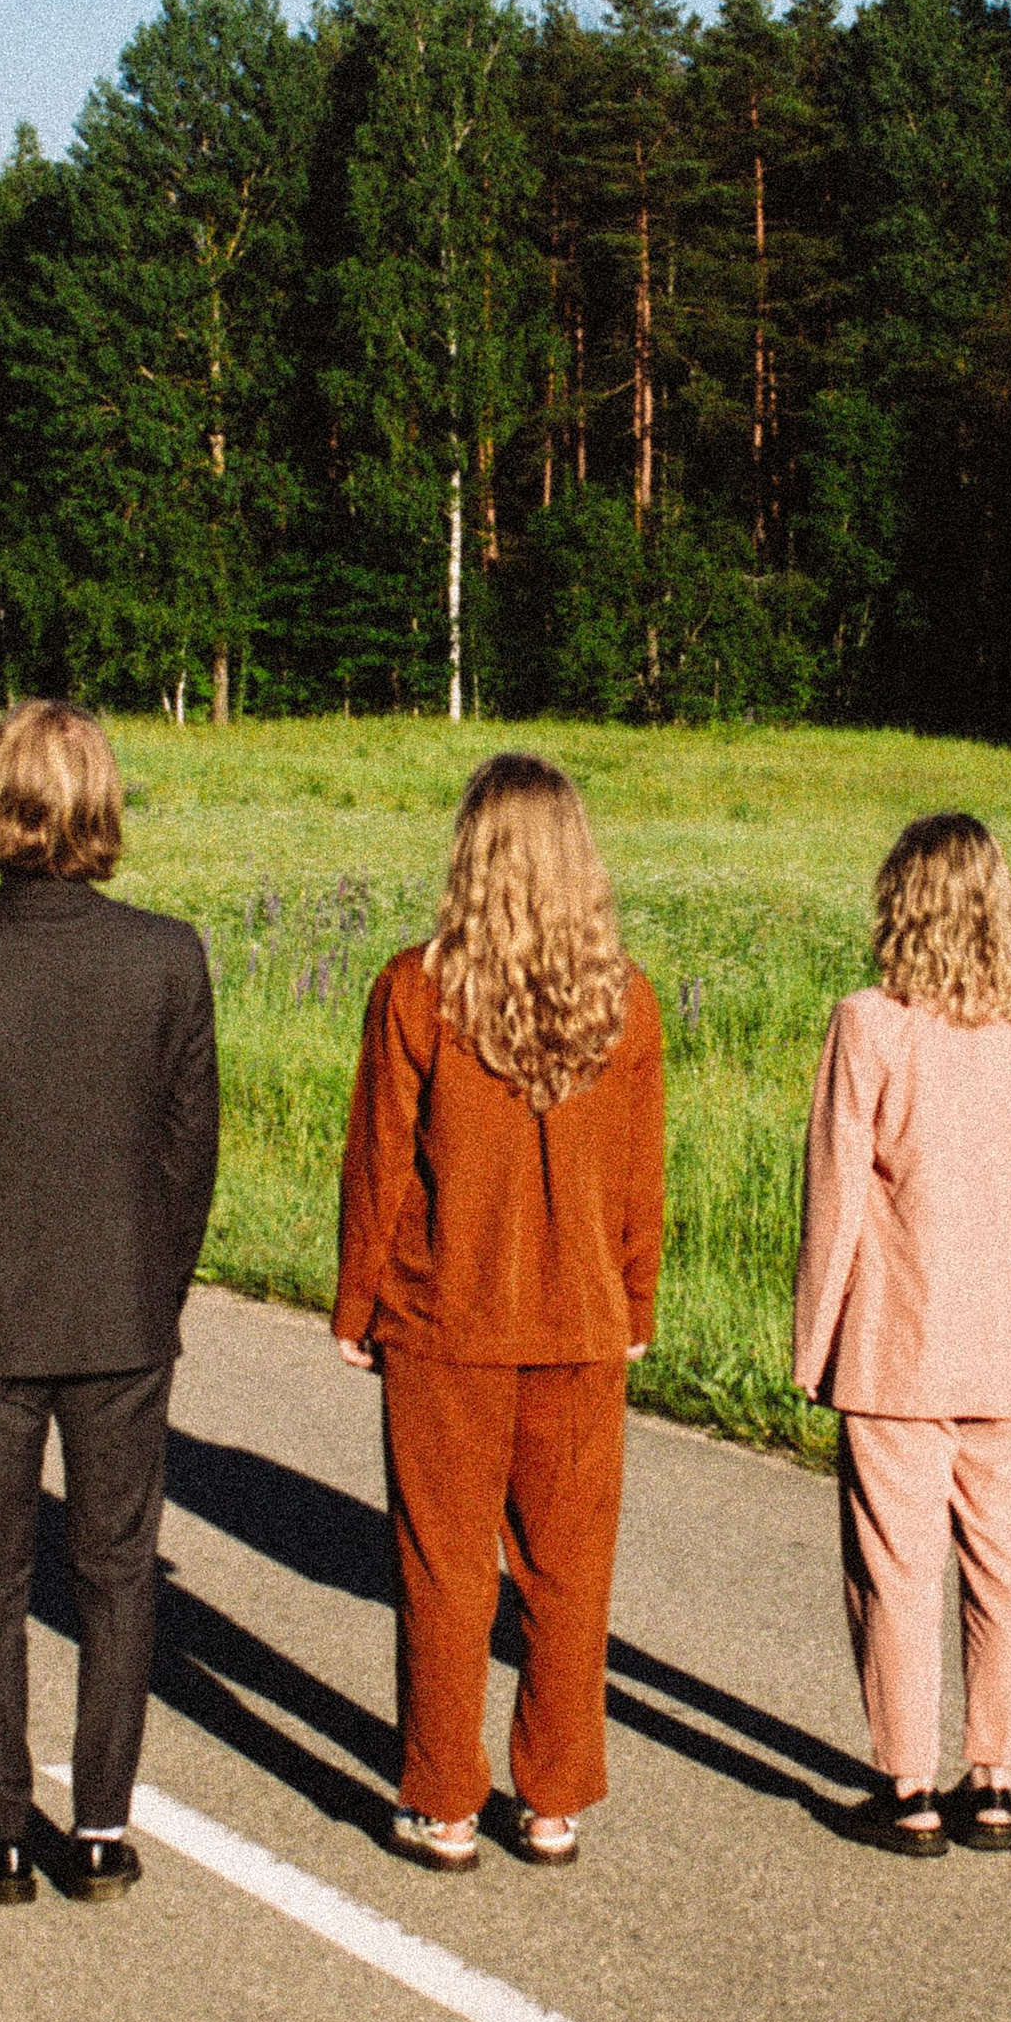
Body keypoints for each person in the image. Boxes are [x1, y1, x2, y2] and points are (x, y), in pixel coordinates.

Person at [0, 698, 219, 1906]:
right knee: (119, 1567)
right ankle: (103, 1830)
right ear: (102, 807)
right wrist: (155, 1288)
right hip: (123, 1309)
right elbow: (191, 1154)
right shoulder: (167, 956)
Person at [332, 752, 665, 1872]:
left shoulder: (414, 989)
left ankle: (443, 1798)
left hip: (444, 1323)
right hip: (580, 1321)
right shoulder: (625, 998)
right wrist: (637, 1301)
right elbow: (637, 1180)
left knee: (444, 1567)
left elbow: (379, 1160)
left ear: (470, 854)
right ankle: (555, 1797)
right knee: (569, 1571)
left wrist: (356, 1299)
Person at [793, 812, 1011, 1858]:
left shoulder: (869, 1024)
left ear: (897, 903)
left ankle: (909, 1787)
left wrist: (811, 1344)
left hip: (894, 1343)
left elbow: (836, 1198)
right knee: (1010, 1572)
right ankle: (994, 1779)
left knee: (898, 1571)